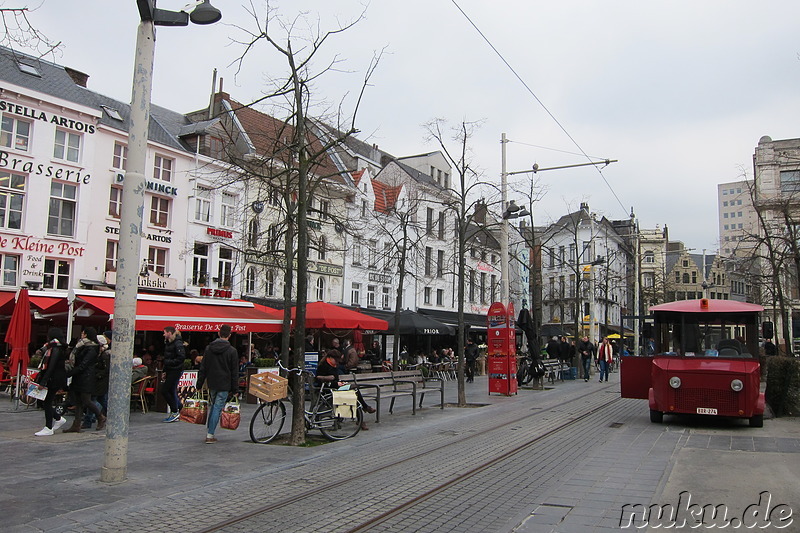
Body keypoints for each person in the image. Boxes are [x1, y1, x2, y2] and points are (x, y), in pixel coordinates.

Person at [197, 324, 239, 444]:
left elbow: (203, 367)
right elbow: (234, 371)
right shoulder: (232, 351)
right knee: (217, 407)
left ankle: (210, 430)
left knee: (214, 406)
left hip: (212, 382)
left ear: (219, 333)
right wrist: (235, 388)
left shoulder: (209, 349)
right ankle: (210, 434)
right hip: (224, 383)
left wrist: (199, 384)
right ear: (229, 335)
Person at [315, 349, 375, 430]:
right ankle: (364, 410)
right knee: (354, 392)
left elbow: (335, 379)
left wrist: (341, 382)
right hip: (328, 390)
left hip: (335, 388)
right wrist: (336, 384)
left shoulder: (333, 365)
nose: (337, 362)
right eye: (335, 360)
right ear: (330, 358)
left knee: (354, 392)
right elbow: (320, 381)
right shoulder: (323, 366)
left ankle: (362, 414)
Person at [63, 327, 106, 433]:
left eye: (82, 333)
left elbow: (84, 364)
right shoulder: (81, 345)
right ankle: (76, 424)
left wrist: (70, 373)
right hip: (79, 376)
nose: (81, 335)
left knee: (86, 400)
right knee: (78, 401)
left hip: (86, 377)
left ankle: (100, 416)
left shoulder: (92, 348)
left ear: (86, 334)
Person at [33, 327, 69, 436]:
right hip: (56, 378)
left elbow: (51, 367)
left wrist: (42, 383)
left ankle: (49, 427)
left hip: (54, 379)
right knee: (46, 401)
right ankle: (57, 418)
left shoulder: (55, 349)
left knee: (47, 402)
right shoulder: (57, 347)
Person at [82, 334, 111, 429]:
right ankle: (112, 415)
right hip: (98, 381)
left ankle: (90, 420)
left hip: (99, 381)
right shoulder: (99, 354)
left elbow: (106, 370)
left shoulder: (104, 355)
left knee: (93, 400)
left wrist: (97, 375)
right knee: (102, 400)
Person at [161, 326, 186, 423]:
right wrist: (165, 370)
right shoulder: (169, 343)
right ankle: (178, 407)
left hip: (175, 369)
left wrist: (169, 363)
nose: (163, 334)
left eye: (164, 332)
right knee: (171, 390)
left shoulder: (177, 343)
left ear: (169, 333)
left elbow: (181, 357)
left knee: (165, 390)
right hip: (171, 369)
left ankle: (175, 411)